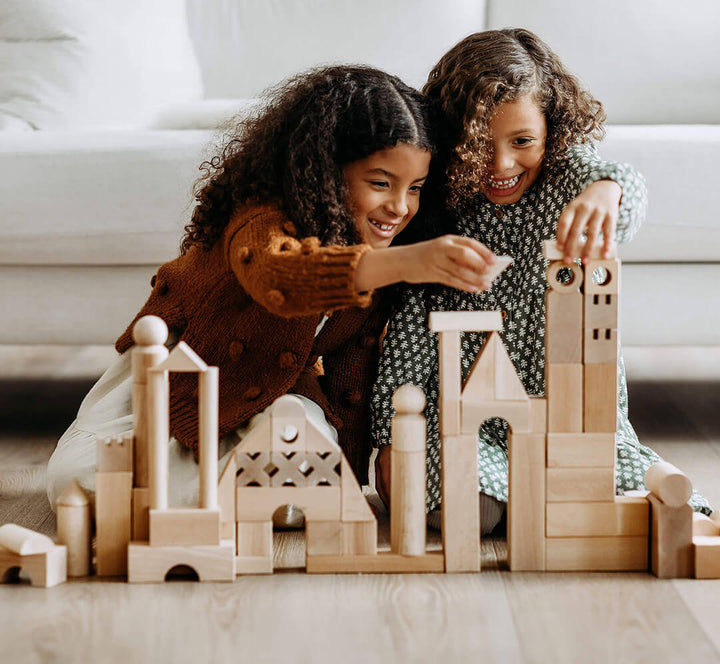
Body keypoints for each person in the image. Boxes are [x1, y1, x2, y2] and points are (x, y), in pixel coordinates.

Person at [46, 65, 499, 518]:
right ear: (325, 170)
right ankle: (208, 501)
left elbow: (352, 372)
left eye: (414, 188)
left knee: (304, 460)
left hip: (273, 393)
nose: (400, 207)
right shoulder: (261, 218)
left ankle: (231, 499)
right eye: (380, 183)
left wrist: (354, 469)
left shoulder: (379, 256)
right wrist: (408, 261)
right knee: (80, 481)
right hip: (178, 376)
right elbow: (279, 279)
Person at [370, 29, 713, 534]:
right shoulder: (435, 190)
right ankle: (516, 497)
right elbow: (407, 339)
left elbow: (621, 182)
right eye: (480, 144)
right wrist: (390, 439)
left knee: (633, 487)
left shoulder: (565, 173)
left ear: (552, 131)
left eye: (523, 141)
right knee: (469, 511)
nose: (502, 164)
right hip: (457, 411)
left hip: (564, 415)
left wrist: (606, 191)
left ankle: (555, 494)